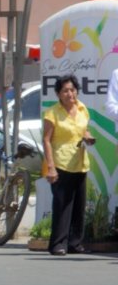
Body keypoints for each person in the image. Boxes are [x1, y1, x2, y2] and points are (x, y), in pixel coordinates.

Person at [42, 75, 94, 256]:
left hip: (80, 163)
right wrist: (50, 166)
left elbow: (83, 129)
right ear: (58, 94)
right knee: (63, 205)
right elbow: (46, 140)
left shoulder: (82, 109)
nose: (69, 93)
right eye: (65, 90)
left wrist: (87, 136)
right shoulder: (52, 113)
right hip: (61, 163)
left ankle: (74, 243)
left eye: (72, 90)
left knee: (79, 206)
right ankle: (57, 244)